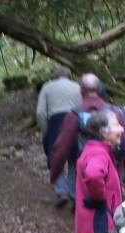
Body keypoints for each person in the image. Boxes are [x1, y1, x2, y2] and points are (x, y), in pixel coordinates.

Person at [50, 73, 125, 208]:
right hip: (114, 173)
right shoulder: (115, 112)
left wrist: (54, 175)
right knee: (114, 211)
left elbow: (61, 148)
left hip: (85, 175)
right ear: (100, 88)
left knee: (87, 211)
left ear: (81, 91)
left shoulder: (74, 115)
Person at [36, 66, 82, 205]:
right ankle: (74, 192)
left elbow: (40, 113)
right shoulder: (78, 86)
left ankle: (61, 189)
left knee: (54, 156)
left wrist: (46, 130)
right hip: (75, 122)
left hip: (55, 123)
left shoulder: (47, 87)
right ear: (70, 76)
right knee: (75, 158)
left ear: (54, 76)